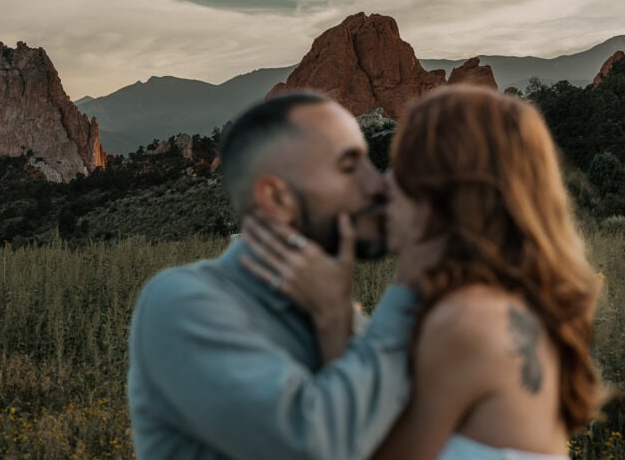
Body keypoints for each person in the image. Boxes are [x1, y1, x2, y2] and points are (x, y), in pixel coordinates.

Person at [243, 85, 605, 460]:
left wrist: (344, 306)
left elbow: (358, 448)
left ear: (440, 194)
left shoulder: (466, 321)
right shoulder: (502, 304)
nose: (383, 187)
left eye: (400, 169)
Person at [127, 92, 420, 459]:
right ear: (278, 199)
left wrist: (335, 316)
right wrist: (415, 273)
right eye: (349, 167)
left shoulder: (338, 314)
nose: (378, 186)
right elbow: (313, 444)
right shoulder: (182, 303)